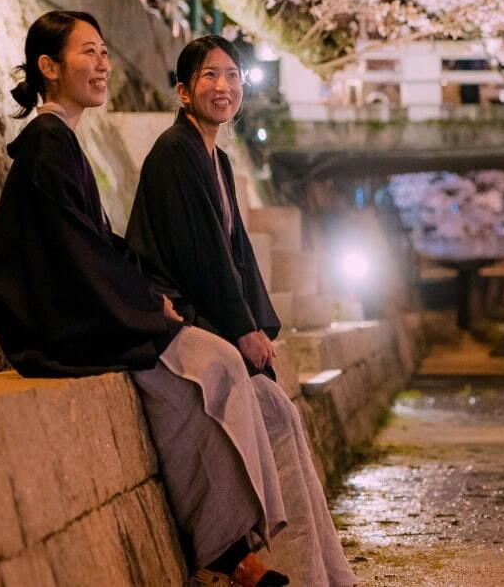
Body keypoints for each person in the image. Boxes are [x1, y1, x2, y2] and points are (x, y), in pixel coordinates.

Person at [0, 11, 290, 587]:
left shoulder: (63, 139)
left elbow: (96, 245)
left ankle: (238, 547)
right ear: (49, 67)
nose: (102, 65)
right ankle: (231, 552)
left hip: (93, 306)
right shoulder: (50, 142)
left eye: (103, 52)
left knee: (219, 367)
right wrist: (148, 308)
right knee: (209, 368)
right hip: (63, 323)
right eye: (87, 53)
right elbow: (76, 255)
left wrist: (148, 297)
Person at [126, 35, 358, 587]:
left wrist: (258, 325)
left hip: (210, 318)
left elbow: (239, 255)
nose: (224, 86)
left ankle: (314, 568)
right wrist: (242, 331)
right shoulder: (174, 155)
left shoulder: (219, 162)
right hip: (175, 318)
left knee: (281, 412)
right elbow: (203, 257)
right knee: (255, 408)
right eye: (209, 76)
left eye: (232, 75)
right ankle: (258, 563)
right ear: (183, 90)